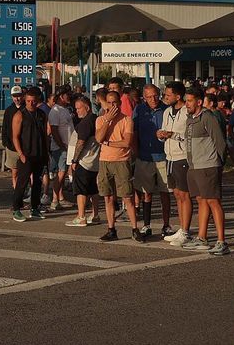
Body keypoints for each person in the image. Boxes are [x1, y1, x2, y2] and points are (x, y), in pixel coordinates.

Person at [96, 90, 149, 242]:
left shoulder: (127, 120)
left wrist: (108, 143)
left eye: (115, 103)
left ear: (120, 103)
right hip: (105, 160)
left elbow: (126, 142)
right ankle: (111, 229)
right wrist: (107, 120)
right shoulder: (100, 120)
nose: (112, 106)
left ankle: (134, 228)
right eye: (109, 103)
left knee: (127, 197)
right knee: (108, 197)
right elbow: (98, 138)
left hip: (121, 161)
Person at [183, 86, 231, 254]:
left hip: (208, 166)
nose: (187, 104)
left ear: (199, 102)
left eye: (190, 101)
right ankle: (202, 237)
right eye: (186, 100)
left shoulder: (208, 117)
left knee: (213, 201)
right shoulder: (190, 119)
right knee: (201, 201)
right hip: (194, 166)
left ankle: (221, 241)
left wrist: (219, 163)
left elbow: (220, 142)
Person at [133, 84, 172, 234]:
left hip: (164, 156)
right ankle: (146, 225)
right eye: (149, 97)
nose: (153, 99)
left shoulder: (167, 109)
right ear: (144, 98)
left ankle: (166, 225)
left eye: (155, 95)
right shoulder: (139, 110)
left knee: (165, 192)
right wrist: (135, 152)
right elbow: (134, 132)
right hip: (145, 156)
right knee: (146, 192)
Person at [8, 87, 49, 223]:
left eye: (33, 101)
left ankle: (35, 208)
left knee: (37, 182)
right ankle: (16, 208)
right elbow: (15, 137)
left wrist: (46, 152)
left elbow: (45, 134)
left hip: (39, 153)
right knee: (22, 182)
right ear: (25, 100)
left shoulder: (41, 114)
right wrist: (21, 153)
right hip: (26, 153)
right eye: (28, 101)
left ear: (37, 100)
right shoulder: (20, 115)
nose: (31, 103)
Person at [160, 82, 193, 245]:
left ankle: (186, 231)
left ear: (178, 96)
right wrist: (161, 135)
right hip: (169, 156)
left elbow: (189, 136)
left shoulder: (187, 112)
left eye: (168, 95)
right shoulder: (167, 111)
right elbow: (165, 130)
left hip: (182, 157)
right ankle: (181, 228)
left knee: (184, 194)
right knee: (177, 194)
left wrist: (173, 135)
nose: (165, 97)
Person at [67, 94, 102, 227]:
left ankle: (81, 216)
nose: (76, 111)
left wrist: (74, 160)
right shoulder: (96, 119)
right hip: (94, 161)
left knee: (81, 189)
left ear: (87, 108)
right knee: (93, 189)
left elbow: (81, 142)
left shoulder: (85, 123)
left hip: (84, 161)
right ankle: (95, 214)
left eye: (78, 108)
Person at [46, 87, 74, 210]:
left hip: (68, 146)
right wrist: (62, 146)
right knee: (61, 173)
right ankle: (54, 200)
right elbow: (54, 130)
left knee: (63, 173)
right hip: (60, 147)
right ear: (61, 96)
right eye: (67, 94)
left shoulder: (65, 109)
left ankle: (60, 197)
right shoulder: (55, 111)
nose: (69, 96)